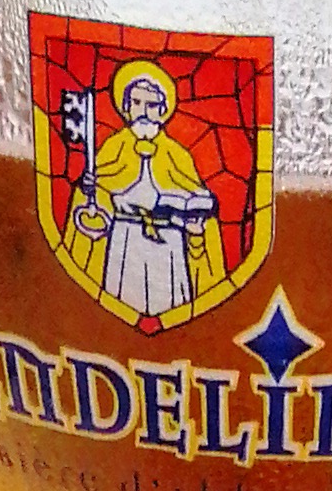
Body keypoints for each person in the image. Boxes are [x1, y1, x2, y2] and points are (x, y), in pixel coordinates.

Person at [62, 59, 223, 324]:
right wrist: (88, 187)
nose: (144, 111)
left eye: (151, 105)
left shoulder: (177, 155)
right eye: (136, 103)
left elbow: (200, 199)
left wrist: (195, 218)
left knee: (172, 304)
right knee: (118, 307)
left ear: (163, 110)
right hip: (125, 236)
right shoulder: (114, 146)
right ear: (126, 108)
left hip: (169, 241)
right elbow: (97, 192)